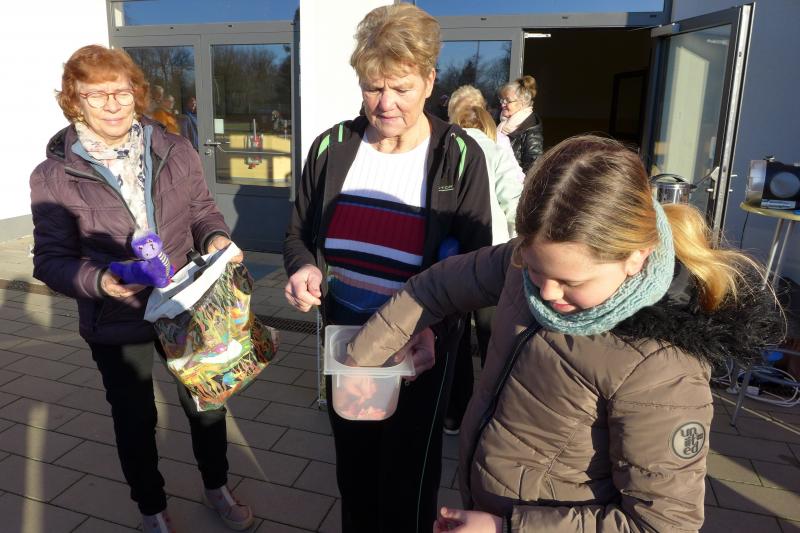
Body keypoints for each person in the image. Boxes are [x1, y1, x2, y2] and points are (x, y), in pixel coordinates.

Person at [346, 135, 784, 532]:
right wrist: (360, 360)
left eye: (571, 282)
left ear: (636, 257)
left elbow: (662, 523)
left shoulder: (662, 369)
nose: (547, 292)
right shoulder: (527, 263)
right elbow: (438, 287)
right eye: (535, 270)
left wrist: (506, 529)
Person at [282, 5, 492, 532]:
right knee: (354, 473)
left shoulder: (459, 155)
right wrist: (303, 268)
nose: (386, 103)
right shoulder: (332, 147)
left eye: (401, 87)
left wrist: (435, 330)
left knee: (407, 484)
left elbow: (475, 269)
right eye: (373, 87)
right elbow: (298, 235)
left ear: (430, 81)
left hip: (419, 348)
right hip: (347, 340)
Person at [29, 45, 253, 533]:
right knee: (135, 419)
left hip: (185, 303)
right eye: (96, 94)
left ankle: (217, 486)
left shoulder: (174, 149)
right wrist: (100, 281)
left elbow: (202, 212)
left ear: (137, 93)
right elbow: (50, 259)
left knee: (207, 403)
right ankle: (152, 508)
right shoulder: (54, 175)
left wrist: (216, 238)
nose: (112, 104)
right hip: (116, 314)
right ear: (74, 101)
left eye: (121, 91)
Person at [444, 96, 524, 435]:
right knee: (494, 334)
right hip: (494, 257)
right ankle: (494, 408)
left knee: (456, 335)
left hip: (453, 257)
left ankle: (454, 413)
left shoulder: (445, 149)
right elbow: (515, 200)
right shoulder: (497, 149)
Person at [497, 75, 544, 173]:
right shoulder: (501, 123)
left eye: (508, 101)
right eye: (502, 100)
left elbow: (533, 168)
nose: (503, 104)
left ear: (522, 103)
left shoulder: (531, 128)